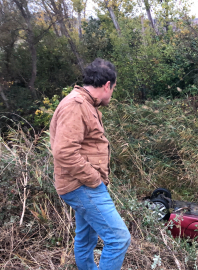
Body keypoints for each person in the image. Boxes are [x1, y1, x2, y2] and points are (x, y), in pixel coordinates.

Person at [50, 58, 131, 270]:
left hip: (82, 185)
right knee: (119, 239)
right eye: (113, 89)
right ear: (107, 85)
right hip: (83, 186)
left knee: (86, 239)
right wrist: (94, 179)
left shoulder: (84, 103)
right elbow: (64, 152)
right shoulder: (76, 105)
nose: (112, 94)